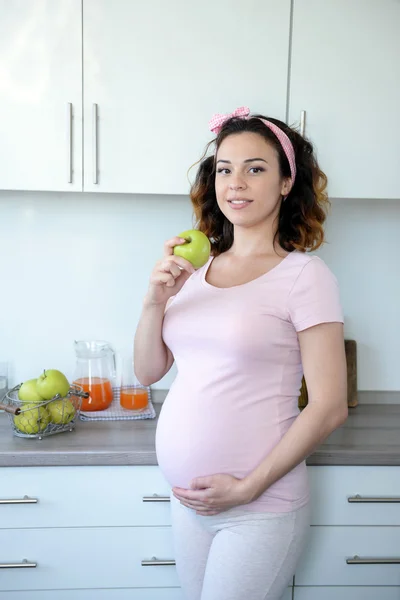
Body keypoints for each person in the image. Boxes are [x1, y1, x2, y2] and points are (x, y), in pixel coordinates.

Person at [134, 106, 348, 600]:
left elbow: (329, 405)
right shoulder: (195, 266)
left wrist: (248, 487)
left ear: (286, 182)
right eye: (225, 169)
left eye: (256, 168)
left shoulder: (304, 276)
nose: (236, 183)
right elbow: (148, 372)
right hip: (188, 504)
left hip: (260, 506)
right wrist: (154, 300)